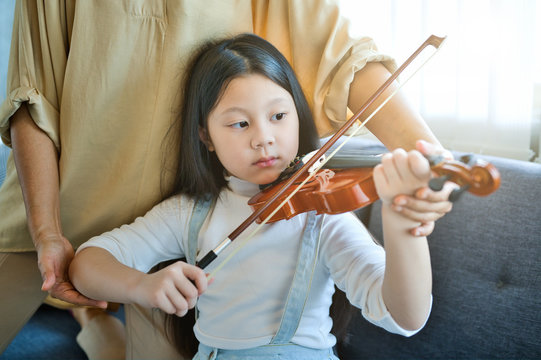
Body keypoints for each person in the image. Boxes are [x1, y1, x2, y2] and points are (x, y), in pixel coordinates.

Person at [0, 1, 454, 358]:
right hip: (81, 191)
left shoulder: (320, 218)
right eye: (239, 124)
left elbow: (406, 316)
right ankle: (95, 327)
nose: (264, 140)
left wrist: (402, 226)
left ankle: (95, 329)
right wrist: (143, 286)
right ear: (206, 136)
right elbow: (87, 264)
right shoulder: (189, 213)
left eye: (279, 116)